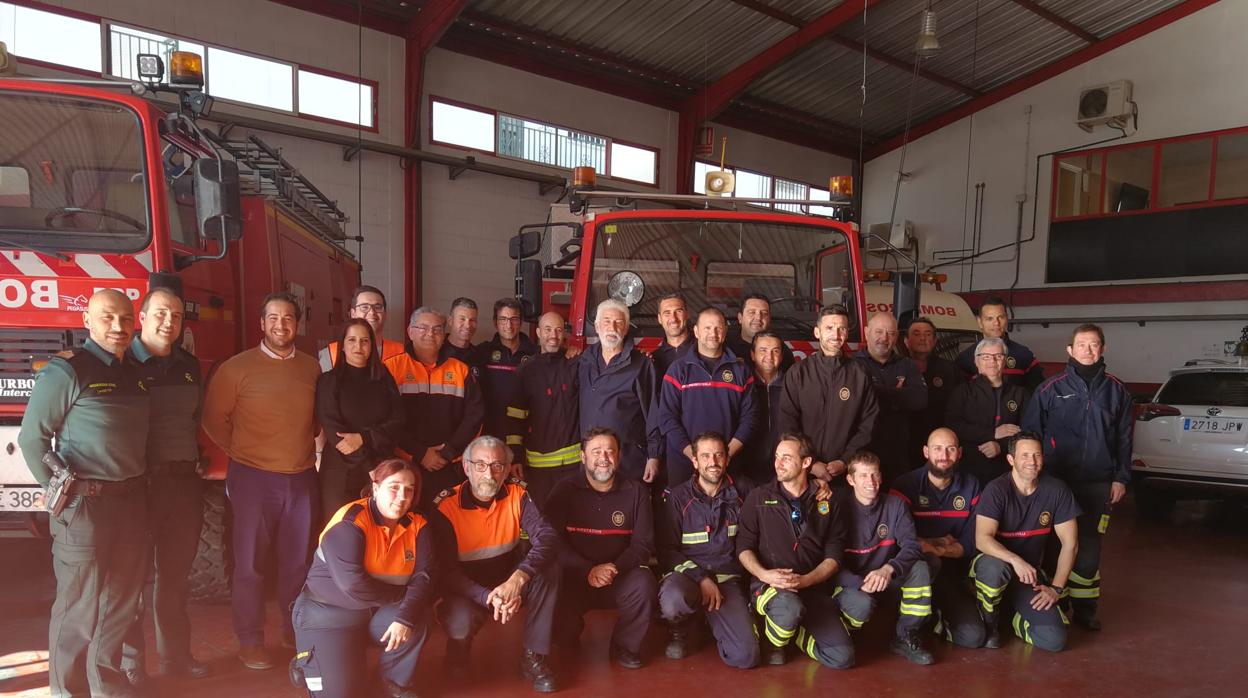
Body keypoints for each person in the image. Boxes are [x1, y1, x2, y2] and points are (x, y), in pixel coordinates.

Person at [18, 289, 150, 697]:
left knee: (120, 604)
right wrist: (59, 495)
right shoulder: (67, 371)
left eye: (126, 318)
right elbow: (31, 439)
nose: (118, 326)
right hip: (84, 507)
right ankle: (68, 692)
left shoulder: (136, 371)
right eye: (108, 317)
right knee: (79, 607)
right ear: (87, 321)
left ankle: (107, 687)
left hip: (131, 503)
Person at [202, 292, 321, 669]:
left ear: (297, 324)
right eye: (273, 318)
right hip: (253, 479)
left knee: (297, 564)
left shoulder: (312, 369)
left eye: (288, 318)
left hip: (300, 478)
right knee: (250, 565)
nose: (280, 325)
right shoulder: (236, 368)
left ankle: (292, 630)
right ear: (261, 323)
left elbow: (317, 420)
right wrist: (243, 451)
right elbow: (213, 419)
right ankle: (250, 641)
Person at [121, 289, 211, 685]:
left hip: (183, 486)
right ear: (142, 317)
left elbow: (196, 420)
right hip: (138, 488)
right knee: (130, 581)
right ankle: (131, 664)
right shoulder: (122, 362)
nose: (168, 321)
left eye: (175, 314)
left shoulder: (189, 366)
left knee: (174, 579)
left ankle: (176, 657)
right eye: (160, 313)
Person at [290, 459, 433, 698]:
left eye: (409, 489)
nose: (402, 496)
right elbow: (353, 585)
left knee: (415, 616)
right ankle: (309, 660)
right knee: (340, 694)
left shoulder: (418, 524)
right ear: (375, 488)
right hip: (328, 613)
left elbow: (424, 576)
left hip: (375, 609)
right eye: (394, 487)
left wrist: (405, 615)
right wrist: (402, 596)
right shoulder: (350, 522)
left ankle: (391, 683)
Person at [1021, 324, 1131, 630]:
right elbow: (1030, 433)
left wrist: (1121, 478)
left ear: (1103, 349)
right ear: (1070, 350)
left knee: (1090, 547)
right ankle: (1057, 601)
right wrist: (1031, 476)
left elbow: (1124, 438)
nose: (1088, 350)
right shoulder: (1050, 389)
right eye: (1082, 344)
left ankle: (1085, 608)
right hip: (1056, 481)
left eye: (1094, 344)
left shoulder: (1117, 390)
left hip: (1098, 483)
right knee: (1054, 544)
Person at [431, 436, 560, 692]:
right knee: (460, 622)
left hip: (508, 579)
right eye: (480, 465)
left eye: (497, 465)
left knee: (549, 570)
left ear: (507, 469)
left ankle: (533, 656)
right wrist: (488, 596)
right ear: (466, 467)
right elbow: (446, 571)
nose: (489, 473)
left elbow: (547, 536)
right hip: (467, 589)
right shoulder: (446, 506)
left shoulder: (517, 493)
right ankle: (458, 653)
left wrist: (518, 578)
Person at [736, 433, 854, 669]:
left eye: (786, 458)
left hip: (812, 588)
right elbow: (743, 548)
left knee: (843, 657)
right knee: (789, 608)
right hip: (769, 587)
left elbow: (834, 557)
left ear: (806, 462)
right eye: (777, 457)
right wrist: (764, 575)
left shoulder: (827, 500)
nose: (778, 463)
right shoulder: (758, 497)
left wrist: (806, 580)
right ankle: (773, 643)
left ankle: (795, 635)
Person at [546, 427, 657, 669]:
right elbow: (551, 542)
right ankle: (568, 633)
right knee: (561, 630)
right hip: (575, 577)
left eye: (610, 451)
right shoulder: (564, 490)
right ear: (583, 456)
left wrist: (613, 569)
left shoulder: (637, 491)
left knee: (644, 582)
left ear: (619, 456)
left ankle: (625, 645)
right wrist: (587, 569)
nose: (603, 458)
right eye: (596, 451)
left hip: (617, 575)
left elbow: (643, 545)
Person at [656, 432, 759, 669]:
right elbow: (666, 550)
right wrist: (701, 578)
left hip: (727, 583)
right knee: (673, 598)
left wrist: (816, 484)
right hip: (688, 579)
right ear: (695, 461)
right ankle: (681, 627)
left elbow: (777, 495)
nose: (713, 462)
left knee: (746, 656)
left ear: (727, 459)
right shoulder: (678, 497)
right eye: (705, 456)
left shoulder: (745, 491)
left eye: (718, 455)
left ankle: (710, 622)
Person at [972, 432, 1079, 652]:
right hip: (993, 569)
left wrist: (1056, 588)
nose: (1032, 461)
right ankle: (989, 619)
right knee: (995, 569)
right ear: (1010, 459)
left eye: (1037, 455)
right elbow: (982, 539)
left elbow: (1070, 544)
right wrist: (1015, 560)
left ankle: (1011, 619)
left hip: (1027, 578)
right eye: (1025, 455)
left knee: (1055, 640)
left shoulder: (1057, 490)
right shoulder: (996, 490)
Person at [833, 451, 934, 665]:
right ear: (850, 480)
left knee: (921, 567)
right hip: (853, 586)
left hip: (885, 579)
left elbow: (912, 546)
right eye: (863, 475)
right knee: (861, 605)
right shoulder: (838, 509)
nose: (871, 482)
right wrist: (859, 583)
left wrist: (889, 569)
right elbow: (830, 562)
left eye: (875, 474)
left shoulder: (895, 505)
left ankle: (906, 636)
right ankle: (847, 634)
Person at [889, 428, 986, 649]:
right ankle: (910, 628)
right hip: (915, 575)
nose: (944, 455)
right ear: (926, 452)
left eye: (950, 449)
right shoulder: (905, 485)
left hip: (952, 575)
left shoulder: (972, 485)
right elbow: (904, 542)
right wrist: (944, 543)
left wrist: (933, 546)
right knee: (928, 563)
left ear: (959, 453)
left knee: (974, 637)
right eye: (937, 449)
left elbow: (970, 543)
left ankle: (936, 619)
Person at [384, 307, 485, 508]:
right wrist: (420, 453)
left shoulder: (460, 370)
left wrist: (449, 452)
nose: (430, 334)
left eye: (437, 329)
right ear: (410, 332)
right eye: (423, 328)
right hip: (404, 466)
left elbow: (475, 417)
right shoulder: (391, 368)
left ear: (443, 334)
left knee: (449, 517)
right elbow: (384, 419)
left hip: (450, 466)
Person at [316, 319, 406, 521]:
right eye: (352, 340)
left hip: (382, 471)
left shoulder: (384, 378)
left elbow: (398, 421)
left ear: (372, 346)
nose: (358, 346)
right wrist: (370, 467)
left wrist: (364, 437)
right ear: (342, 345)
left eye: (365, 341)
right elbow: (335, 433)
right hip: (341, 474)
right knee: (341, 531)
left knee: (380, 531)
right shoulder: (329, 381)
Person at [777, 305, 878, 482]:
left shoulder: (860, 374)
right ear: (817, 332)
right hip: (804, 472)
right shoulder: (798, 373)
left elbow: (868, 425)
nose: (836, 335)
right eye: (829, 328)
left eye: (842, 329)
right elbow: (788, 423)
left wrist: (845, 460)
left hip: (846, 473)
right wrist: (811, 462)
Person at [658, 306, 757, 486]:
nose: (713, 333)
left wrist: (725, 455)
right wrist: (694, 456)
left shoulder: (741, 371)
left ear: (725, 332)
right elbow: (667, 418)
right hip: (685, 466)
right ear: (696, 331)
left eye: (718, 328)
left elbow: (750, 418)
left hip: (730, 465)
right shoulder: (677, 371)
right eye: (707, 328)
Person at [577, 299, 662, 483]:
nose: (612, 327)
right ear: (597, 327)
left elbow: (653, 414)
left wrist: (653, 456)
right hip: (591, 462)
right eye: (607, 321)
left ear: (626, 328)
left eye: (619, 322)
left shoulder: (641, 365)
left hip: (628, 462)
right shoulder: (584, 361)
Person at [507, 311, 581, 507]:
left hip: (574, 466)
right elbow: (515, 419)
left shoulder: (576, 364)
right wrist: (516, 457)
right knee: (542, 518)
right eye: (548, 330)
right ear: (538, 332)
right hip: (539, 469)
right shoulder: (526, 371)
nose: (553, 335)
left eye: (558, 330)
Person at [855, 312, 927, 483]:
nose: (884, 338)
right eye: (879, 331)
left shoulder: (907, 365)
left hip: (899, 453)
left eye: (891, 333)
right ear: (866, 332)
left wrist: (875, 392)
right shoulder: (853, 365)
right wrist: (897, 395)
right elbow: (855, 403)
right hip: (863, 453)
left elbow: (920, 399)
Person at [947, 338, 1029, 486]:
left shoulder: (1020, 394)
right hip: (969, 466)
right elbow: (953, 427)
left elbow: (1027, 431)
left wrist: (1001, 446)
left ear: (1005, 360)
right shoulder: (962, 392)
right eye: (986, 356)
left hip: (1008, 467)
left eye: (998, 356)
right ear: (976, 362)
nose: (992, 361)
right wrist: (992, 433)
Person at [474, 298, 538, 439]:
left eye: (514, 319)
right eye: (503, 319)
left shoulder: (536, 354)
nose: (508, 325)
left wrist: (570, 351)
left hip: (524, 435)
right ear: (495, 323)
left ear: (521, 322)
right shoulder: (482, 352)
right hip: (489, 435)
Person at [903, 317, 963, 466]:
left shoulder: (950, 369)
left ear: (935, 340)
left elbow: (961, 406)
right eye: (916, 334)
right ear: (906, 341)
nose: (922, 338)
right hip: (905, 442)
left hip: (942, 446)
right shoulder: (897, 368)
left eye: (928, 334)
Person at [954, 296, 1044, 389]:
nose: (996, 323)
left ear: (1007, 319)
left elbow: (1038, 393)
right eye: (989, 319)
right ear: (980, 322)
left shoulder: (1024, 355)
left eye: (1000, 317)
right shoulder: (965, 359)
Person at [318, 285, 405, 371]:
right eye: (364, 307)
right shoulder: (331, 353)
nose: (372, 312)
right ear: (353, 314)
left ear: (385, 314)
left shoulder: (401, 352)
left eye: (377, 307)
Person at [742, 331, 786, 484]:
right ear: (752, 355)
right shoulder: (742, 385)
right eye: (763, 350)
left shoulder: (792, 385)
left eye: (775, 351)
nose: (770, 356)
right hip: (746, 469)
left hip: (782, 469)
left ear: (782, 356)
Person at [726, 293, 795, 371]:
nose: (758, 317)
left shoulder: (782, 351)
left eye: (764, 313)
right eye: (752, 312)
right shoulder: (725, 348)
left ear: (769, 319)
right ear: (740, 318)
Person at [650, 292, 692, 378]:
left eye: (678, 311)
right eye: (667, 313)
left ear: (687, 314)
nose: (673, 318)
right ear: (659, 319)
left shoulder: (704, 350)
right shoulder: (653, 359)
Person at [441, 297, 479, 363]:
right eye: (462, 319)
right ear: (450, 321)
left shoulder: (479, 355)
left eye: (472, 320)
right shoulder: (436, 350)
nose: (468, 326)